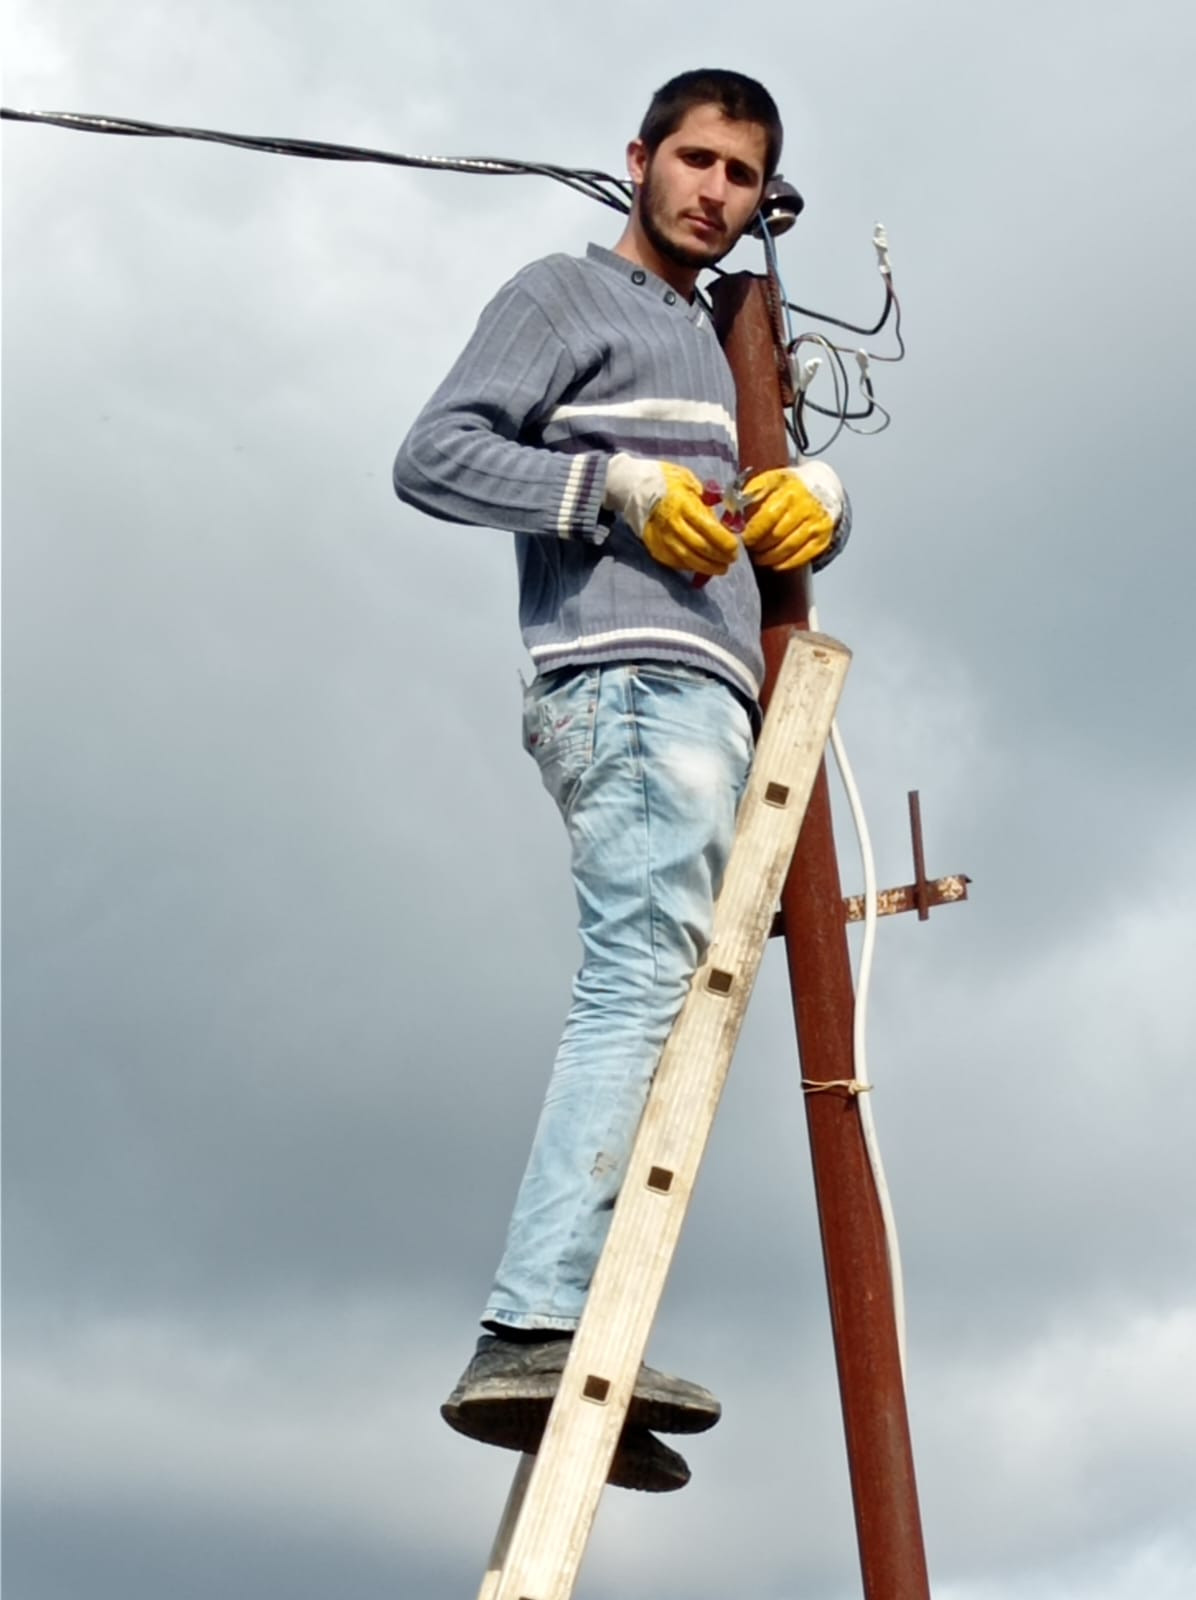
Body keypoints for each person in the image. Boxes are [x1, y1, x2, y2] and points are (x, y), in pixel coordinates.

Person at [393, 68, 849, 1493]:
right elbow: (434, 454)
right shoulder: (563, 296)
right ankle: (532, 1326)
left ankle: (580, 1334)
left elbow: (770, 532)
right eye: (695, 161)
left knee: (672, 1006)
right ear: (642, 159)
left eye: (742, 178)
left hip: (712, 696)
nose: (714, 194)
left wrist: (819, 505)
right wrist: (614, 491)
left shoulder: (723, 347)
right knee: (640, 989)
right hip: (628, 678)